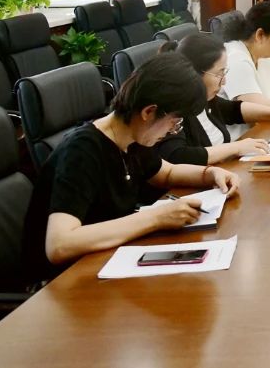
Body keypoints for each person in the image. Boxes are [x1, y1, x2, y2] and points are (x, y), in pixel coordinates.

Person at [22, 54, 241, 281]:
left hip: (107, 261)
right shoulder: (82, 151)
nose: (172, 131)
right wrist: (155, 218)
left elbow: (166, 173)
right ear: (149, 112)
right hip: (64, 281)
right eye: (174, 123)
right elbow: (59, 245)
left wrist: (210, 174)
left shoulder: (132, 137)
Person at [154, 33, 270, 165]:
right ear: (195, 73)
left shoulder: (205, 99)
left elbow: (233, 109)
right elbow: (177, 155)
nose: (224, 81)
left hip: (224, 170)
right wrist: (235, 148)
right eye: (219, 74)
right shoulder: (174, 109)